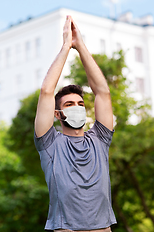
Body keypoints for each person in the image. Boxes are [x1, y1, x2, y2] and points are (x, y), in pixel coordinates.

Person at [34, 16, 117, 232]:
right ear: (58, 114)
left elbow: (103, 92)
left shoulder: (99, 140)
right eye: (69, 104)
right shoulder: (50, 144)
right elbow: (46, 92)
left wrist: (80, 46)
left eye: (80, 103)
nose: (77, 106)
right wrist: (65, 47)